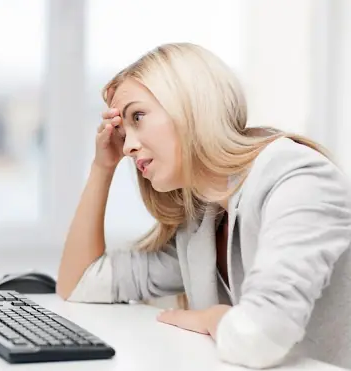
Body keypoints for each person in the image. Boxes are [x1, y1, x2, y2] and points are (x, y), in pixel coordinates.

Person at [56, 42, 351, 369]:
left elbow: (261, 338)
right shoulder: (202, 221)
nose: (127, 147)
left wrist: (213, 318)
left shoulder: (299, 180)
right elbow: (78, 283)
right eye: (123, 132)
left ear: (191, 106)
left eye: (137, 116)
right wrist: (102, 168)